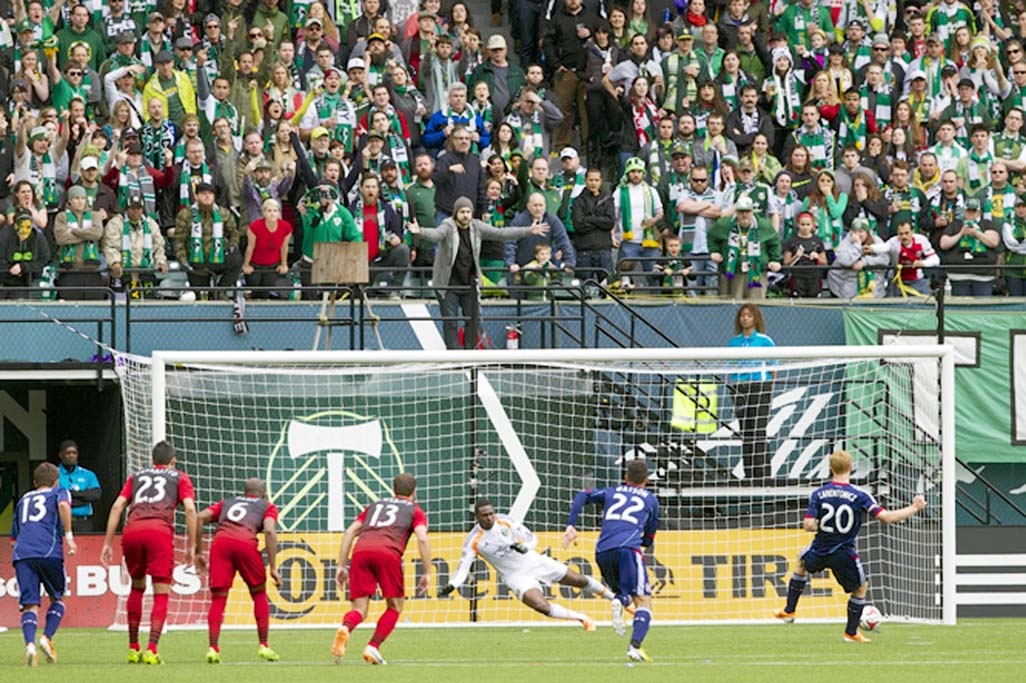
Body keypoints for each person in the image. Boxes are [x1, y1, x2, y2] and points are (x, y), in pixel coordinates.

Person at [775, 450, 927, 643]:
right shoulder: (859, 495)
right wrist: (914, 507)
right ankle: (851, 632)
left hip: (820, 548)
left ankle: (789, 611)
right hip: (844, 553)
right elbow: (886, 518)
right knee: (861, 587)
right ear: (851, 468)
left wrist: (819, 525)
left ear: (831, 469)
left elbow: (808, 525)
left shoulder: (819, 493)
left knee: (801, 563)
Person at [439, 499, 618, 628]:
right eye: (485, 515)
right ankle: (582, 619)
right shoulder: (474, 540)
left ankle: (615, 599)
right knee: (540, 606)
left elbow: (532, 538)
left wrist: (524, 547)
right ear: (477, 517)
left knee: (577, 579)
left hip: (533, 561)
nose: (489, 518)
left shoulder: (505, 521)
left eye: (491, 513)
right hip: (515, 576)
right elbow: (463, 568)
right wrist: (452, 585)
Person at [100, 440, 198, 665]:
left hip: (132, 530)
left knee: (136, 586)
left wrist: (107, 542)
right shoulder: (180, 477)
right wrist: (193, 545)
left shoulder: (135, 477)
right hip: (159, 532)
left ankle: (133, 648)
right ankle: (152, 648)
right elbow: (191, 509)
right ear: (172, 461)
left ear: (153, 461)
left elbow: (117, 506)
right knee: (161, 591)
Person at [408, 196, 548, 349]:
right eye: (462, 212)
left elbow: (500, 233)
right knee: (451, 323)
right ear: (456, 213)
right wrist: (420, 231)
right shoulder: (448, 226)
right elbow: (436, 234)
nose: (466, 215)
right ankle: (454, 357)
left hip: (469, 282)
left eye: (468, 211)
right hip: (448, 284)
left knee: (472, 322)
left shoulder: (476, 226)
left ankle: (470, 356)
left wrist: (528, 230)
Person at [562, 459, 659, 663]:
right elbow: (649, 538)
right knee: (643, 600)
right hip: (628, 549)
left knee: (624, 594)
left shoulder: (611, 492)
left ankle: (620, 599)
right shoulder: (651, 500)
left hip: (603, 551)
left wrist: (571, 525)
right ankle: (634, 647)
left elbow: (582, 495)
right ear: (647, 480)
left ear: (625, 478)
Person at [332, 472, 432, 666]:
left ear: (393, 489)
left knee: (359, 610)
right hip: (388, 553)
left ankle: (346, 627)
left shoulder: (374, 506)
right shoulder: (415, 510)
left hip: (361, 551)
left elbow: (349, 531)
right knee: (395, 607)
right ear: (414, 491)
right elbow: (422, 537)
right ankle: (373, 646)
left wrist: (341, 565)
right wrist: (427, 571)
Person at [194, 478, 282, 664]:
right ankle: (264, 645)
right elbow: (269, 531)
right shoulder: (267, 506)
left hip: (221, 543)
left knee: (219, 598)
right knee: (258, 593)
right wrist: (273, 567)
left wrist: (198, 552)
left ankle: (213, 648)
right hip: (245, 543)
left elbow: (200, 517)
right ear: (263, 493)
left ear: (245, 492)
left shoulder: (227, 502)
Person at [11, 462, 77, 667]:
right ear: (56, 481)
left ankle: (30, 645)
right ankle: (46, 638)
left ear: (34, 482)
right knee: (58, 597)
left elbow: (15, 536)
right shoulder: (59, 493)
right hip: (49, 553)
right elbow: (64, 506)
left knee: (30, 604)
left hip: (22, 554)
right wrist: (69, 536)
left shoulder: (23, 499)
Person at [728, 303, 775, 483]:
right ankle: (749, 474)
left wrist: (768, 387)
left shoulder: (765, 340)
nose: (745, 318)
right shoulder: (734, 342)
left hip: (759, 386)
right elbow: (731, 366)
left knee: (758, 430)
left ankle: (763, 474)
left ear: (755, 318)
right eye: (742, 315)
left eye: (748, 315)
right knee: (746, 431)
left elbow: (774, 367)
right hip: (740, 386)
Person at [55, 439, 101, 533]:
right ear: (61, 455)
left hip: (83, 523)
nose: (71, 455)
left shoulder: (88, 474)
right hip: (60, 522)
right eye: (68, 453)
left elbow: (95, 495)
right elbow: (53, 497)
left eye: (74, 453)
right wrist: (83, 498)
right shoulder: (53, 473)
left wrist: (69, 495)